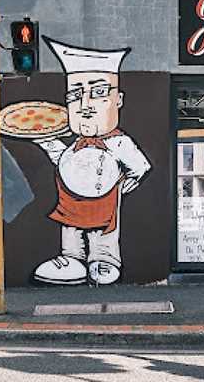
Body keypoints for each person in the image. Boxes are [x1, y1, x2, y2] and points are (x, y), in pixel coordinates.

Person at [31, 39, 151, 286]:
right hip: (69, 201)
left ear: (118, 100)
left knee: (103, 231)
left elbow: (140, 165)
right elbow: (62, 160)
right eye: (75, 95)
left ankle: (105, 259)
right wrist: (45, 140)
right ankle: (71, 258)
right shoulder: (75, 144)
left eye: (98, 93)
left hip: (105, 201)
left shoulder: (118, 142)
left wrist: (131, 179)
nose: (85, 106)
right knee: (70, 229)